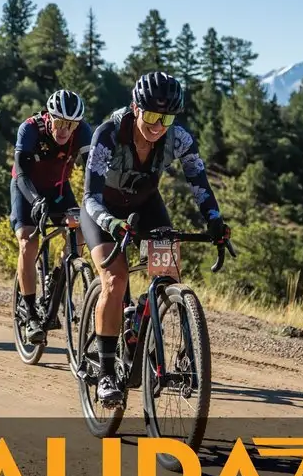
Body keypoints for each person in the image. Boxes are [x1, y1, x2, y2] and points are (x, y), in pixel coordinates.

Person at [81, 71, 230, 403]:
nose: (157, 124)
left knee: (168, 274)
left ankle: (150, 332)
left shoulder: (179, 138)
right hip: (102, 211)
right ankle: (106, 373)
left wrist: (215, 220)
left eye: (166, 117)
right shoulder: (109, 133)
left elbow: (200, 183)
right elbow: (90, 196)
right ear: (135, 107)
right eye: (150, 115)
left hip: (145, 205)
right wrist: (112, 223)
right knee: (115, 280)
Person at [10, 89, 93, 344]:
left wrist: (95, 204)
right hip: (27, 189)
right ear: (49, 117)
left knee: (81, 230)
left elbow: (93, 172)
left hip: (58, 189)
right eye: (60, 123)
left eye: (71, 125)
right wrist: (35, 201)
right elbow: (22, 172)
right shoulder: (30, 129)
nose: (64, 130)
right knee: (28, 240)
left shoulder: (83, 132)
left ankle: (58, 275)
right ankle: (31, 312)